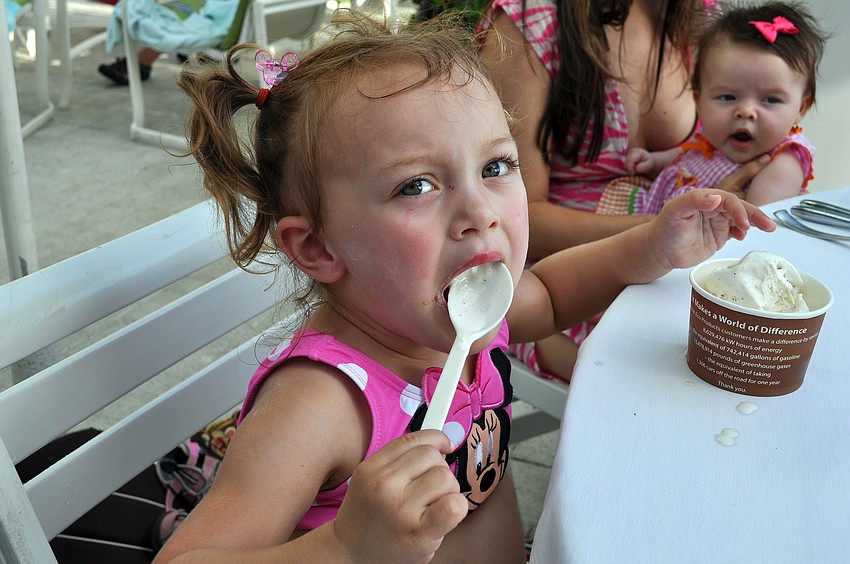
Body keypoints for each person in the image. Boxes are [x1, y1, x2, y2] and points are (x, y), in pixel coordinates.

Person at [154, 10, 775, 562]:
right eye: (416, 186)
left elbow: (552, 296)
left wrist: (651, 246)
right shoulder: (321, 403)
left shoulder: (458, 321)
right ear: (318, 247)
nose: (482, 211)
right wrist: (344, 546)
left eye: (495, 167)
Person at [477, 0, 767, 382]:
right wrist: (661, 230)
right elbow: (508, 218)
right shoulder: (529, 23)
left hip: (677, 260)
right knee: (679, 378)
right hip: (562, 286)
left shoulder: (699, 17)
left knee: (760, 348)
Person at [605, 1, 827, 214]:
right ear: (698, 100)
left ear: (801, 107)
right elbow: (687, 154)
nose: (746, 111)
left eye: (770, 100)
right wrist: (654, 162)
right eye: (728, 97)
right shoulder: (714, 139)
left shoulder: (783, 161)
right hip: (659, 225)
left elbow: (759, 219)